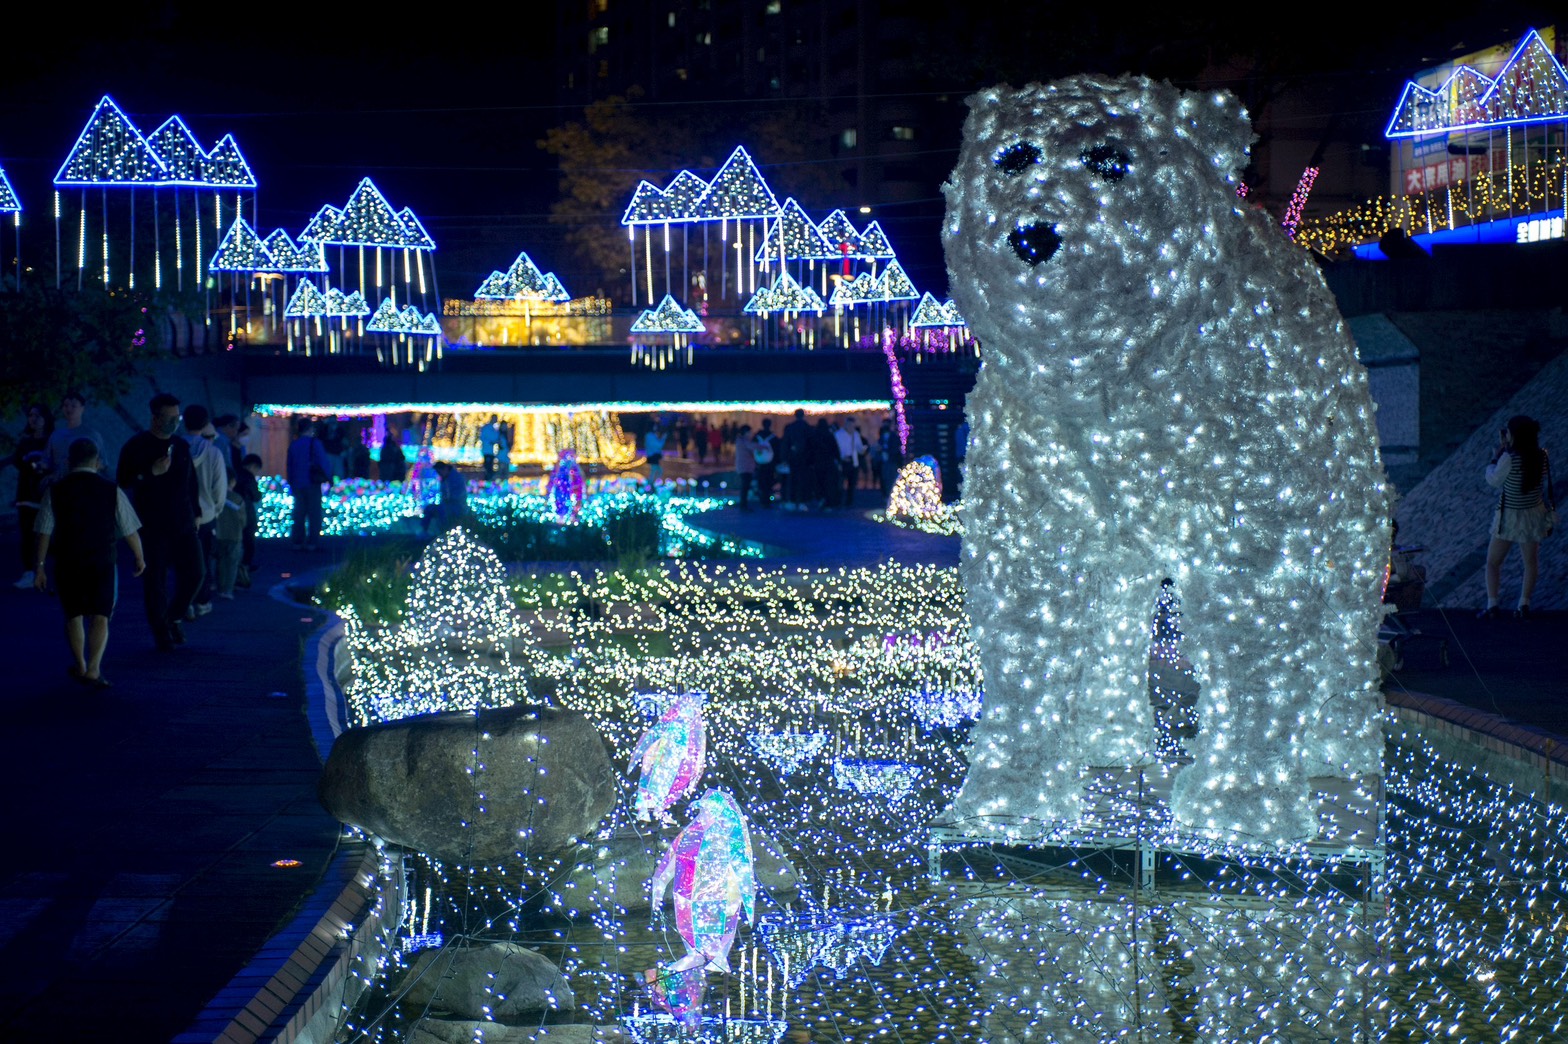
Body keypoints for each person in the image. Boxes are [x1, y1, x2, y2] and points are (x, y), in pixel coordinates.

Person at [32, 438, 145, 687]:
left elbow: (44, 531)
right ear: (97, 461)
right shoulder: (111, 489)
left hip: (68, 560)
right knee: (101, 615)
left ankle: (80, 665)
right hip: (102, 560)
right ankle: (94, 668)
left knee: (73, 614)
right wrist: (139, 556)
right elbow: (129, 529)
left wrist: (39, 567)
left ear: (69, 461)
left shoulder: (56, 490)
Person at [117, 392, 203, 652]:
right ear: (155, 418)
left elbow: (190, 482)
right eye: (170, 417)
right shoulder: (136, 446)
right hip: (153, 525)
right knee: (155, 580)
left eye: (178, 417)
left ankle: (173, 616)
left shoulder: (181, 446)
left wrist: (196, 512)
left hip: (184, 522)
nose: (175, 422)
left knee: (196, 574)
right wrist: (150, 472)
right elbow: (124, 481)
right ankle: (161, 631)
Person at [1480, 415, 1554, 619]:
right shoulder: (1542, 456)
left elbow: (1494, 480)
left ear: (1514, 435)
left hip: (1509, 517)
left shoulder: (1508, 458)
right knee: (1530, 562)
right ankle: (1523, 605)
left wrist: (1495, 457)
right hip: (1533, 515)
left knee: (1492, 562)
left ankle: (1492, 605)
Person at [183, 404, 228, 617]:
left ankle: (185, 602)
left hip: (179, 514)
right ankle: (202, 601)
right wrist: (216, 510)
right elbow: (219, 488)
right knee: (203, 560)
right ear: (205, 424)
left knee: (182, 560)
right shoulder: (213, 452)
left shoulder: (174, 448)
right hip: (207, 514)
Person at [12, 403, 53, 588]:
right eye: (30, 415)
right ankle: (29, 572)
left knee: (48, 534)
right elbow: (20, 464)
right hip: (26, 495)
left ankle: (47, 570)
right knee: (27, 534)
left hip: (46, 495)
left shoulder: (52, 440)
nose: (33, 419)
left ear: (46, 418)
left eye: (37, 415)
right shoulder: (25, 443)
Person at [286, 419, 333, 550]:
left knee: (299, 512)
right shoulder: (315, 443)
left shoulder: (294, 445)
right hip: (312, 482)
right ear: (309, 429)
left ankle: (297, 541)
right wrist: (329, 478)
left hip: (297, 483)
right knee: (314, 513)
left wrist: (291, 482)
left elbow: (289, 465)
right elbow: (323, 462)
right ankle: (312, 542)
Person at [45, 391, 105, 484]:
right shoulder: (56, 435)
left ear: (82, 408)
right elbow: (46, 461)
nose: (69, 409)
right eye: (66, 405)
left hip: (85, 484)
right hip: (60, 484)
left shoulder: (92, 435)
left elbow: (103, 462)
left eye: (73, 406)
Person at [213, 472, 246, 599]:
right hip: (235, 535)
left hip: (219, 534)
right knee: (232, 563)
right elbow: (243, 519)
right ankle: (228, 589)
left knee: (220, 562)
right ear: (233, 482)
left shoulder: (216, 495)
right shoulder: (237, 498)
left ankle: (220, 587)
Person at [235, 453, 264, 588]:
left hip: (234, 512)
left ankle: (238, 570)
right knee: (249, 543)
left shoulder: (236, 473)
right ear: (253, 466)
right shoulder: (249, 478)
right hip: (247, 513)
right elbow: (256, 496)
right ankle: (243, 571)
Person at [421, 461, 469, 534]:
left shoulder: (456, 478)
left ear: (445, 469)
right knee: (429, 509)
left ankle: (443, 531)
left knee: (442, 512)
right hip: (448, 505)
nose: (439, 474)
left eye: (439, 472)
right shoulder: (445, 478)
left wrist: (449, 498)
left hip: (457, 506)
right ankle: (425, 531)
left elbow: (460, 495)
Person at [781, 409, 812, 510]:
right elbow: (811, 444)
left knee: (792, 480)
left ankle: (792, 501)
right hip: (805, 458)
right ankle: (802, 501)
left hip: (792, 458)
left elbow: (785, 443)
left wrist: (784, 458)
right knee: (803, 480)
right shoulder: (808, 427)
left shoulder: (790, 428)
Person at [834, 419, 866, 509]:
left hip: (853, 461)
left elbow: (859, 447)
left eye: (853, 426)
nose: (852, 427)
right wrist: (841, 457)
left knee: (852, 483)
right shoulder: (838, 434)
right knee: (840, 482)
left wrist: (862, 450)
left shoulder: (855, 434)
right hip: (843, 461)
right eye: (850, 425)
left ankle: (849, 501)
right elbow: (836, 448)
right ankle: (839, 501)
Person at [754, 419, 778, 508]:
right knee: (769, 482)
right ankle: (767, 501)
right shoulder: (773, 437)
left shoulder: (757, 436)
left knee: (761, 481)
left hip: (759, 463)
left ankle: (762, 499)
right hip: (770, 464)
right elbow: (777, 450)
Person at [734, 424, 757, 511]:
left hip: (745, 467)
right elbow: (752, 446)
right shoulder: (743, 441)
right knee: (745, 486)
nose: (751, 433)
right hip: (745, 467)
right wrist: (764, 447)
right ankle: (743, 505)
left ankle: (744, 504)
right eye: (750, 432)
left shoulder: (741, 440)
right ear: (746, 432)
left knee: (745, 486)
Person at [479, 414, 501, 480]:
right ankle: (488, 478)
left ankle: (489, 478)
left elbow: (496, 438)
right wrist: (490, 442)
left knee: (490, 465)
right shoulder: (487, 428)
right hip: (487, 450)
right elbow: (482, 438)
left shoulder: (494, 429)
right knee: (488, 466)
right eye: (495, 419)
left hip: (491, 451)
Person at [644, 425, 667, 489]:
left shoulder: (648, 436)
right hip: (653, 456)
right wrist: (663, 438)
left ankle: (651, 484)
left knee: (655, 470)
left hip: (651, 455)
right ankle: (651, 485)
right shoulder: (651, 436)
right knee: (656, 471)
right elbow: (659, 445)